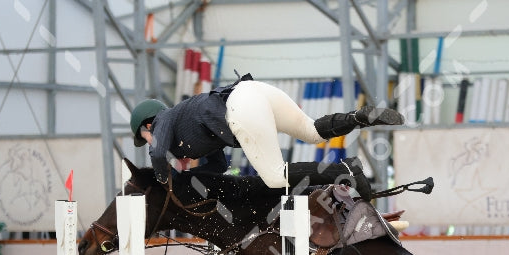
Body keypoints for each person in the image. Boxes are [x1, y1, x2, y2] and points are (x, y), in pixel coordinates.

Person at [130, 75, 404, 192]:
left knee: (274, 177)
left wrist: (165, 181)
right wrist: (188, 177)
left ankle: (345, 170)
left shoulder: (164, 119)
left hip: (240, 106)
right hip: (254, 91)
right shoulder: (187, 126)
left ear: (148, 126)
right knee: (311, 131)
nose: (148, 143)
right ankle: (358, 116)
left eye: (143, 137)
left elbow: (156, 154)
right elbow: (219, 165)